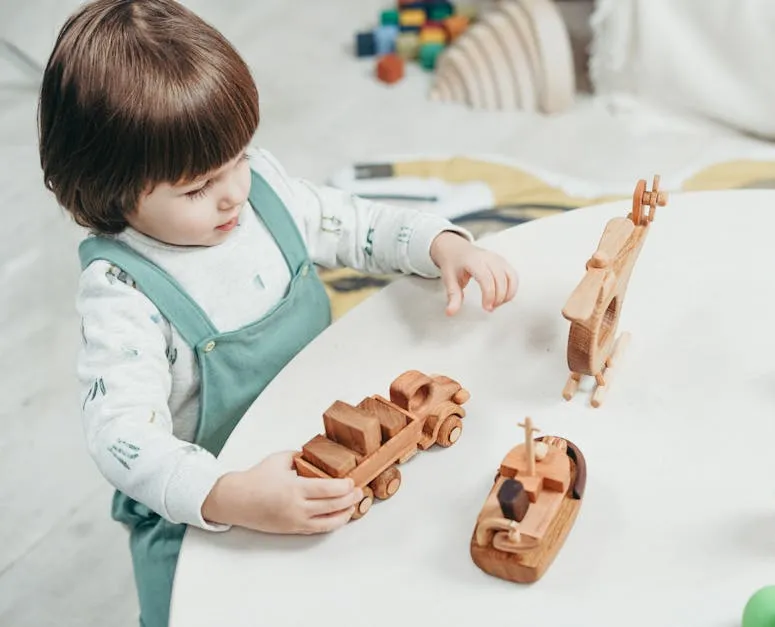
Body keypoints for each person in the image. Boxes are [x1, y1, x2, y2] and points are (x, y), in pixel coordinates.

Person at [37, 1, 518, 625]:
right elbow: (120, 436)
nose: (234, 190)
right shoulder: (123, 291)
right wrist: (227, 496)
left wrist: (440, 244)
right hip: (211, 504)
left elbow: (361, 225)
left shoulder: (262, 192)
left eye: (237, 157)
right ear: (109, 190)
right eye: (196, 187)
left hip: (327, 441)